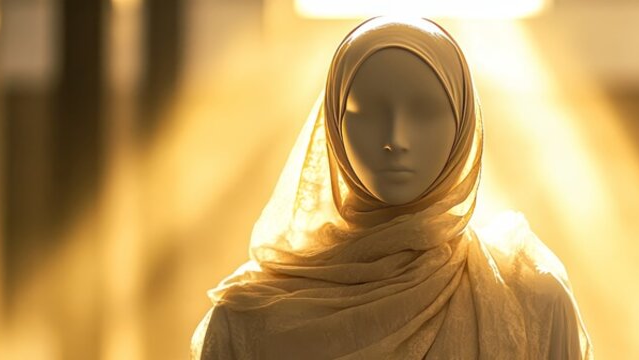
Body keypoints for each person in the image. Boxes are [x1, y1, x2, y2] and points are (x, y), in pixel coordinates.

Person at [191, 16, 592, 359]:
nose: (395, 138)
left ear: (464, 124)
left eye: (425, 111)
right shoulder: (248, 321)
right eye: (367, 112)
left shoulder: (531, 301)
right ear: (333, 125)